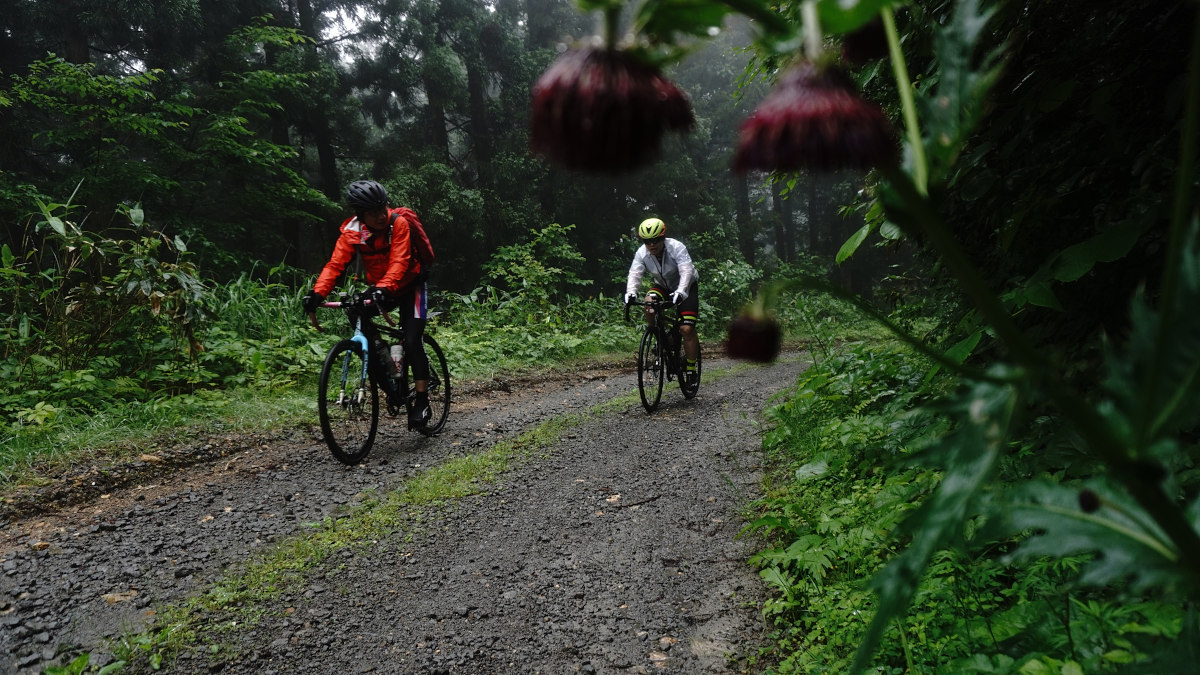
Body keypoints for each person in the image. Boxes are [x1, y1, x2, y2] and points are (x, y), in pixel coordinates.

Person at [301, 179, 435, 428]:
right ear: (360, 215)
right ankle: (384, 364)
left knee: (413, 339)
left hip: (410, 284)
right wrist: (317, 293)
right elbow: (335, 265)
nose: (380, 216)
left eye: (382, 208)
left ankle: (422, 400)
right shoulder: (352, 233)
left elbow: (400, 261)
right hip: (382, 287)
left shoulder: (399, 224)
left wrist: (384, 288)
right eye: (373, 213)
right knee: (355, 311)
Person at [624, 217, 700, 383]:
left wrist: (681, 291)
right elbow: (635, 274)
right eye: (647, 241)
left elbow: (686, 270)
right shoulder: (642, 253)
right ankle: (658, 334)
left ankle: (691, 368)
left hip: (686, 286)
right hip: (663, 286)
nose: (651, 244)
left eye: (655, 240)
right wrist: (631, 293)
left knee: (686, 329)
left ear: (663, 237)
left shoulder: (676, 247)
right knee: (648, 302)